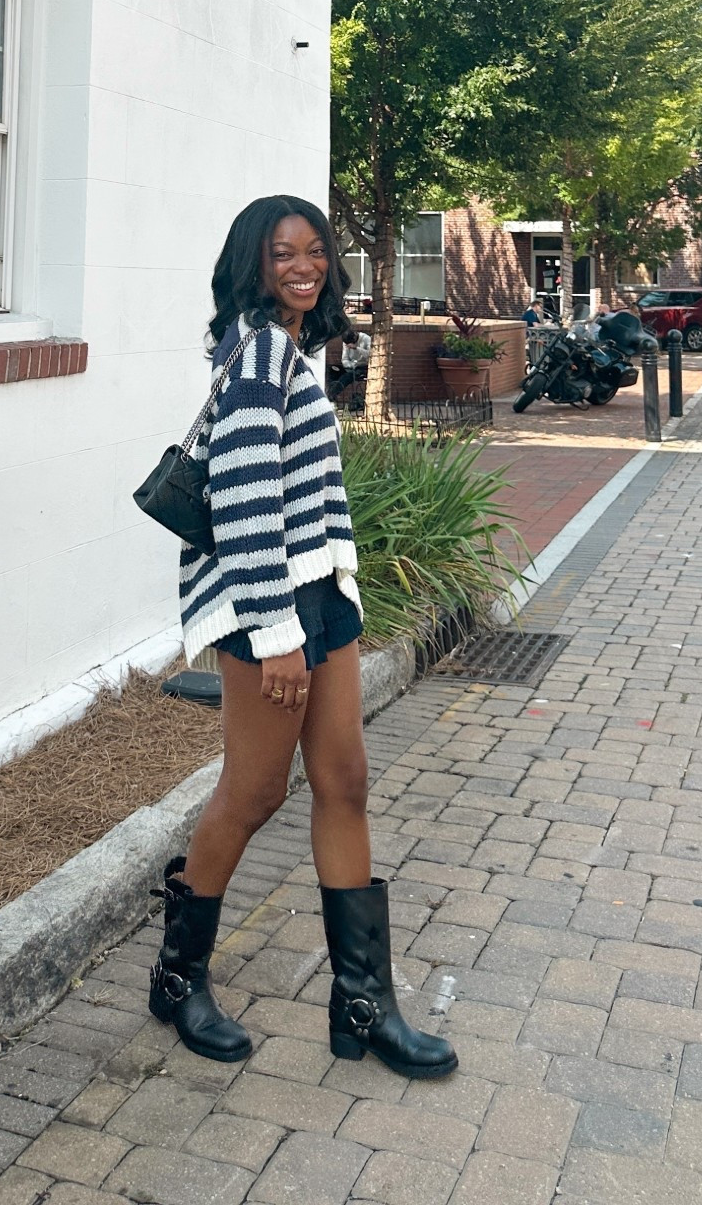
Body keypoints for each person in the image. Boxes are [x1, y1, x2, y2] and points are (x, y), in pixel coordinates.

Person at [149, 194, 456, 1079]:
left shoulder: (290, 349)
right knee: (252, 794)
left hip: (320, 598)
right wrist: (277, 632)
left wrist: (330, 594)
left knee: (344, 783)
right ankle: (177, 977)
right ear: (253, 263)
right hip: (271, 609)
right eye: (283, 253)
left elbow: (300, 496)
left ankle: (363, 1004)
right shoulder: (257, 358)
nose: (304, 266)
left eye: (315, 250)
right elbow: (246, 509)